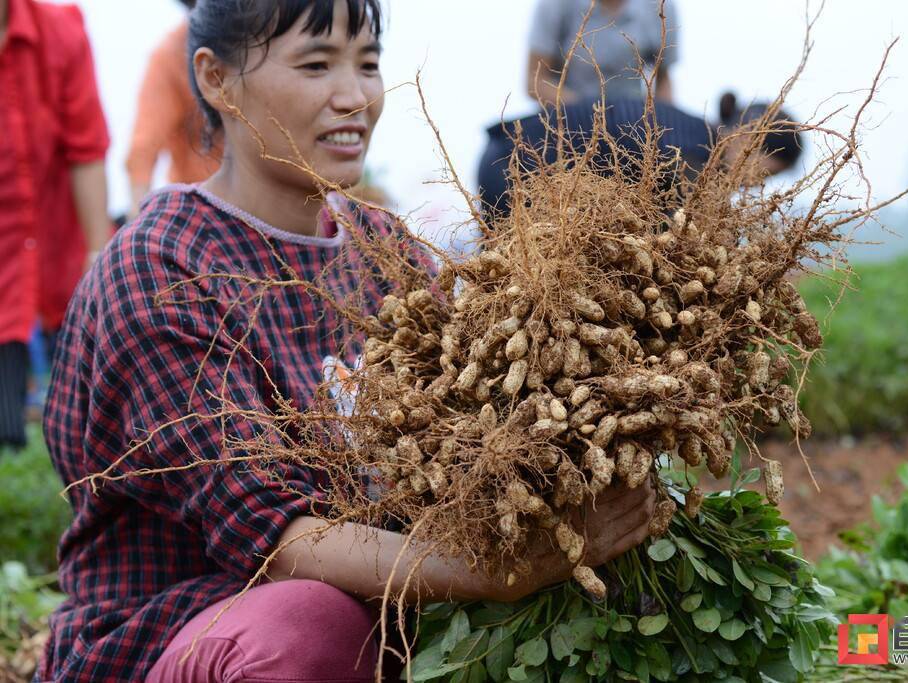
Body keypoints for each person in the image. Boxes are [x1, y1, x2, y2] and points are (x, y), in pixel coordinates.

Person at [38, 1, 657, 681]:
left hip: (384, 619)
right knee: (309, 624)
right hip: (183, 630)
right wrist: (503, 571)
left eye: (366, 63)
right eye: (316, 64)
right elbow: (279, 539)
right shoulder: (164, 268)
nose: (354, 96)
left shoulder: (385, 250)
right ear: (216, 79)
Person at [0, 0, 110, 450]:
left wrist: (97, 256)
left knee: (82, 430)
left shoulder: (60, 32)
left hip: (55, 259)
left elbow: (86, 149)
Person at [477, 93, 804, 219]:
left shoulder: (695, 136)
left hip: (506, 156)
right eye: (764, 174)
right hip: (512, 166)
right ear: (746, 138)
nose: (754, 186)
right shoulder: (690, 157)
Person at [125, 0, 222, 216]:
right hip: (200, 209)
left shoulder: (271, 40)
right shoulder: (170, 56)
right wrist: (137, 222)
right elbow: (144, 148)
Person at [527, 0, 680, 106]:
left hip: (632, 123)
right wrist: (588, 111)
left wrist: (659, 124)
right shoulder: (556, 5)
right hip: (568, 120)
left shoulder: (659, 7)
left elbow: (664, 81)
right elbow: (535, 80)